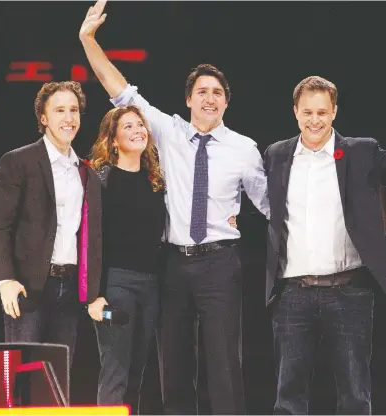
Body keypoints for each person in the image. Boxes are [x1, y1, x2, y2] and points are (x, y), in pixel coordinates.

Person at [79, 2, 269, 414]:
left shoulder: (244, 149)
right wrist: (88, 39)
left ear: (227, 102)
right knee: (173, 365)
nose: (210, 98)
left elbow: (268, 204)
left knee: (224, 366)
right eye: (202, 91)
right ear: (188, 99)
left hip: (221, 263)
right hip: (172, 265)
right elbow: (119, 91)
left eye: (218, 92)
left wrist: (243, 217)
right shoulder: (166, 131)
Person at [264, 75, 386, 415]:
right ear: (295, 113)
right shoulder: (277, 155)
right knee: (288, 396)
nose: (314, 120)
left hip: (350, 292)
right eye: (307, 112)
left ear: (333, 112)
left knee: (355, 395)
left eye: (322, 112)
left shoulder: (362, 151)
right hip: (293, 295)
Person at [0, 81, 103, 364]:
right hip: (26, 289)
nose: (69, 118)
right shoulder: (18, 161)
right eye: (60, 111)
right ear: (43, 118)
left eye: (74, 110)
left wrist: (91, 291)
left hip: (68, 290)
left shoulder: (86, 173)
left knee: (57, 382)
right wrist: (4, 279)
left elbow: (90, 236)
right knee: (24, 379)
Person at [86, 105, 166, 410]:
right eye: (128, 127)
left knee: (137, 372)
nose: (137, 131)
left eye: (140, 125)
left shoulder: (155, 180)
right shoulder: (100, 179)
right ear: (114, 139)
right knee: (115, 369)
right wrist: (95, 295)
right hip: (116, 284)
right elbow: (91, 241)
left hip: (150, 285)